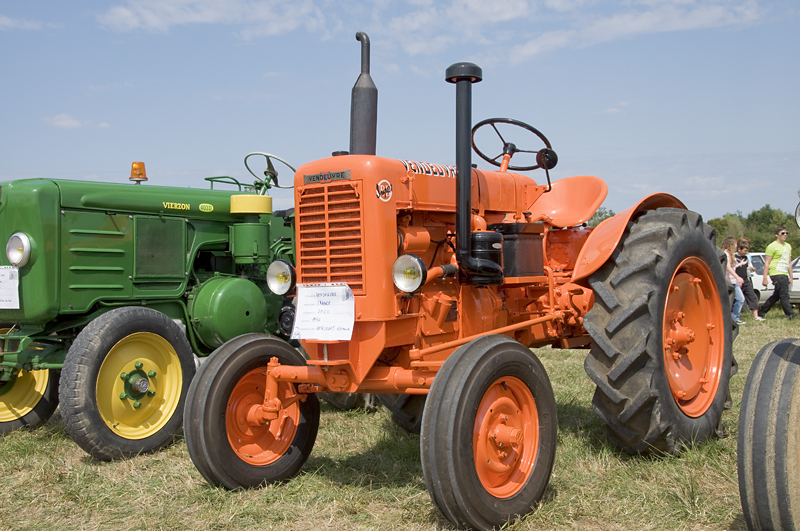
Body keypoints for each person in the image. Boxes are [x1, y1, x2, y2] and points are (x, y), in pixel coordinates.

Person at [759, 225, 796, 320]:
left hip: (784, 273)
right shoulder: (772, 246)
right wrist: (765, 278)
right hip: (776, 273)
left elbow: (789, 262)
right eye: (782, 233)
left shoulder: (788, 246)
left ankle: (762, 312)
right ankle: (791, 315)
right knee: (784, 295)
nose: (785, 235)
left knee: (776, 295)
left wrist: (791, 276)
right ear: (776, 235)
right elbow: (767, 263)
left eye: (786, 233)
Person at [735, 237, 764, 321]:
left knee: (752, 297)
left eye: (747, 251)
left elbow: (746, 269)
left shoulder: (746, 258)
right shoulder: (734, 257)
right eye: (745, 250)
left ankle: (755, 316)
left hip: (746, 280)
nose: (746, 252)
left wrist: (748, 278)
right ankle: (735, 316)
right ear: (739, 249)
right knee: (737, 299)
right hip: (737, 281)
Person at [722, 237, 745, 325]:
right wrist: (737, 277)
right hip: (727, 281)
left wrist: (740, 264)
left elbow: (732, 267)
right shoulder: (726, 254)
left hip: (733, 281)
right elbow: (727, 267)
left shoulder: (731, 255)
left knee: (740, 299)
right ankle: (730, 319)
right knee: (730, 301)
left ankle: (734, 318)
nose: (736, 246)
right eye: (735, 244)